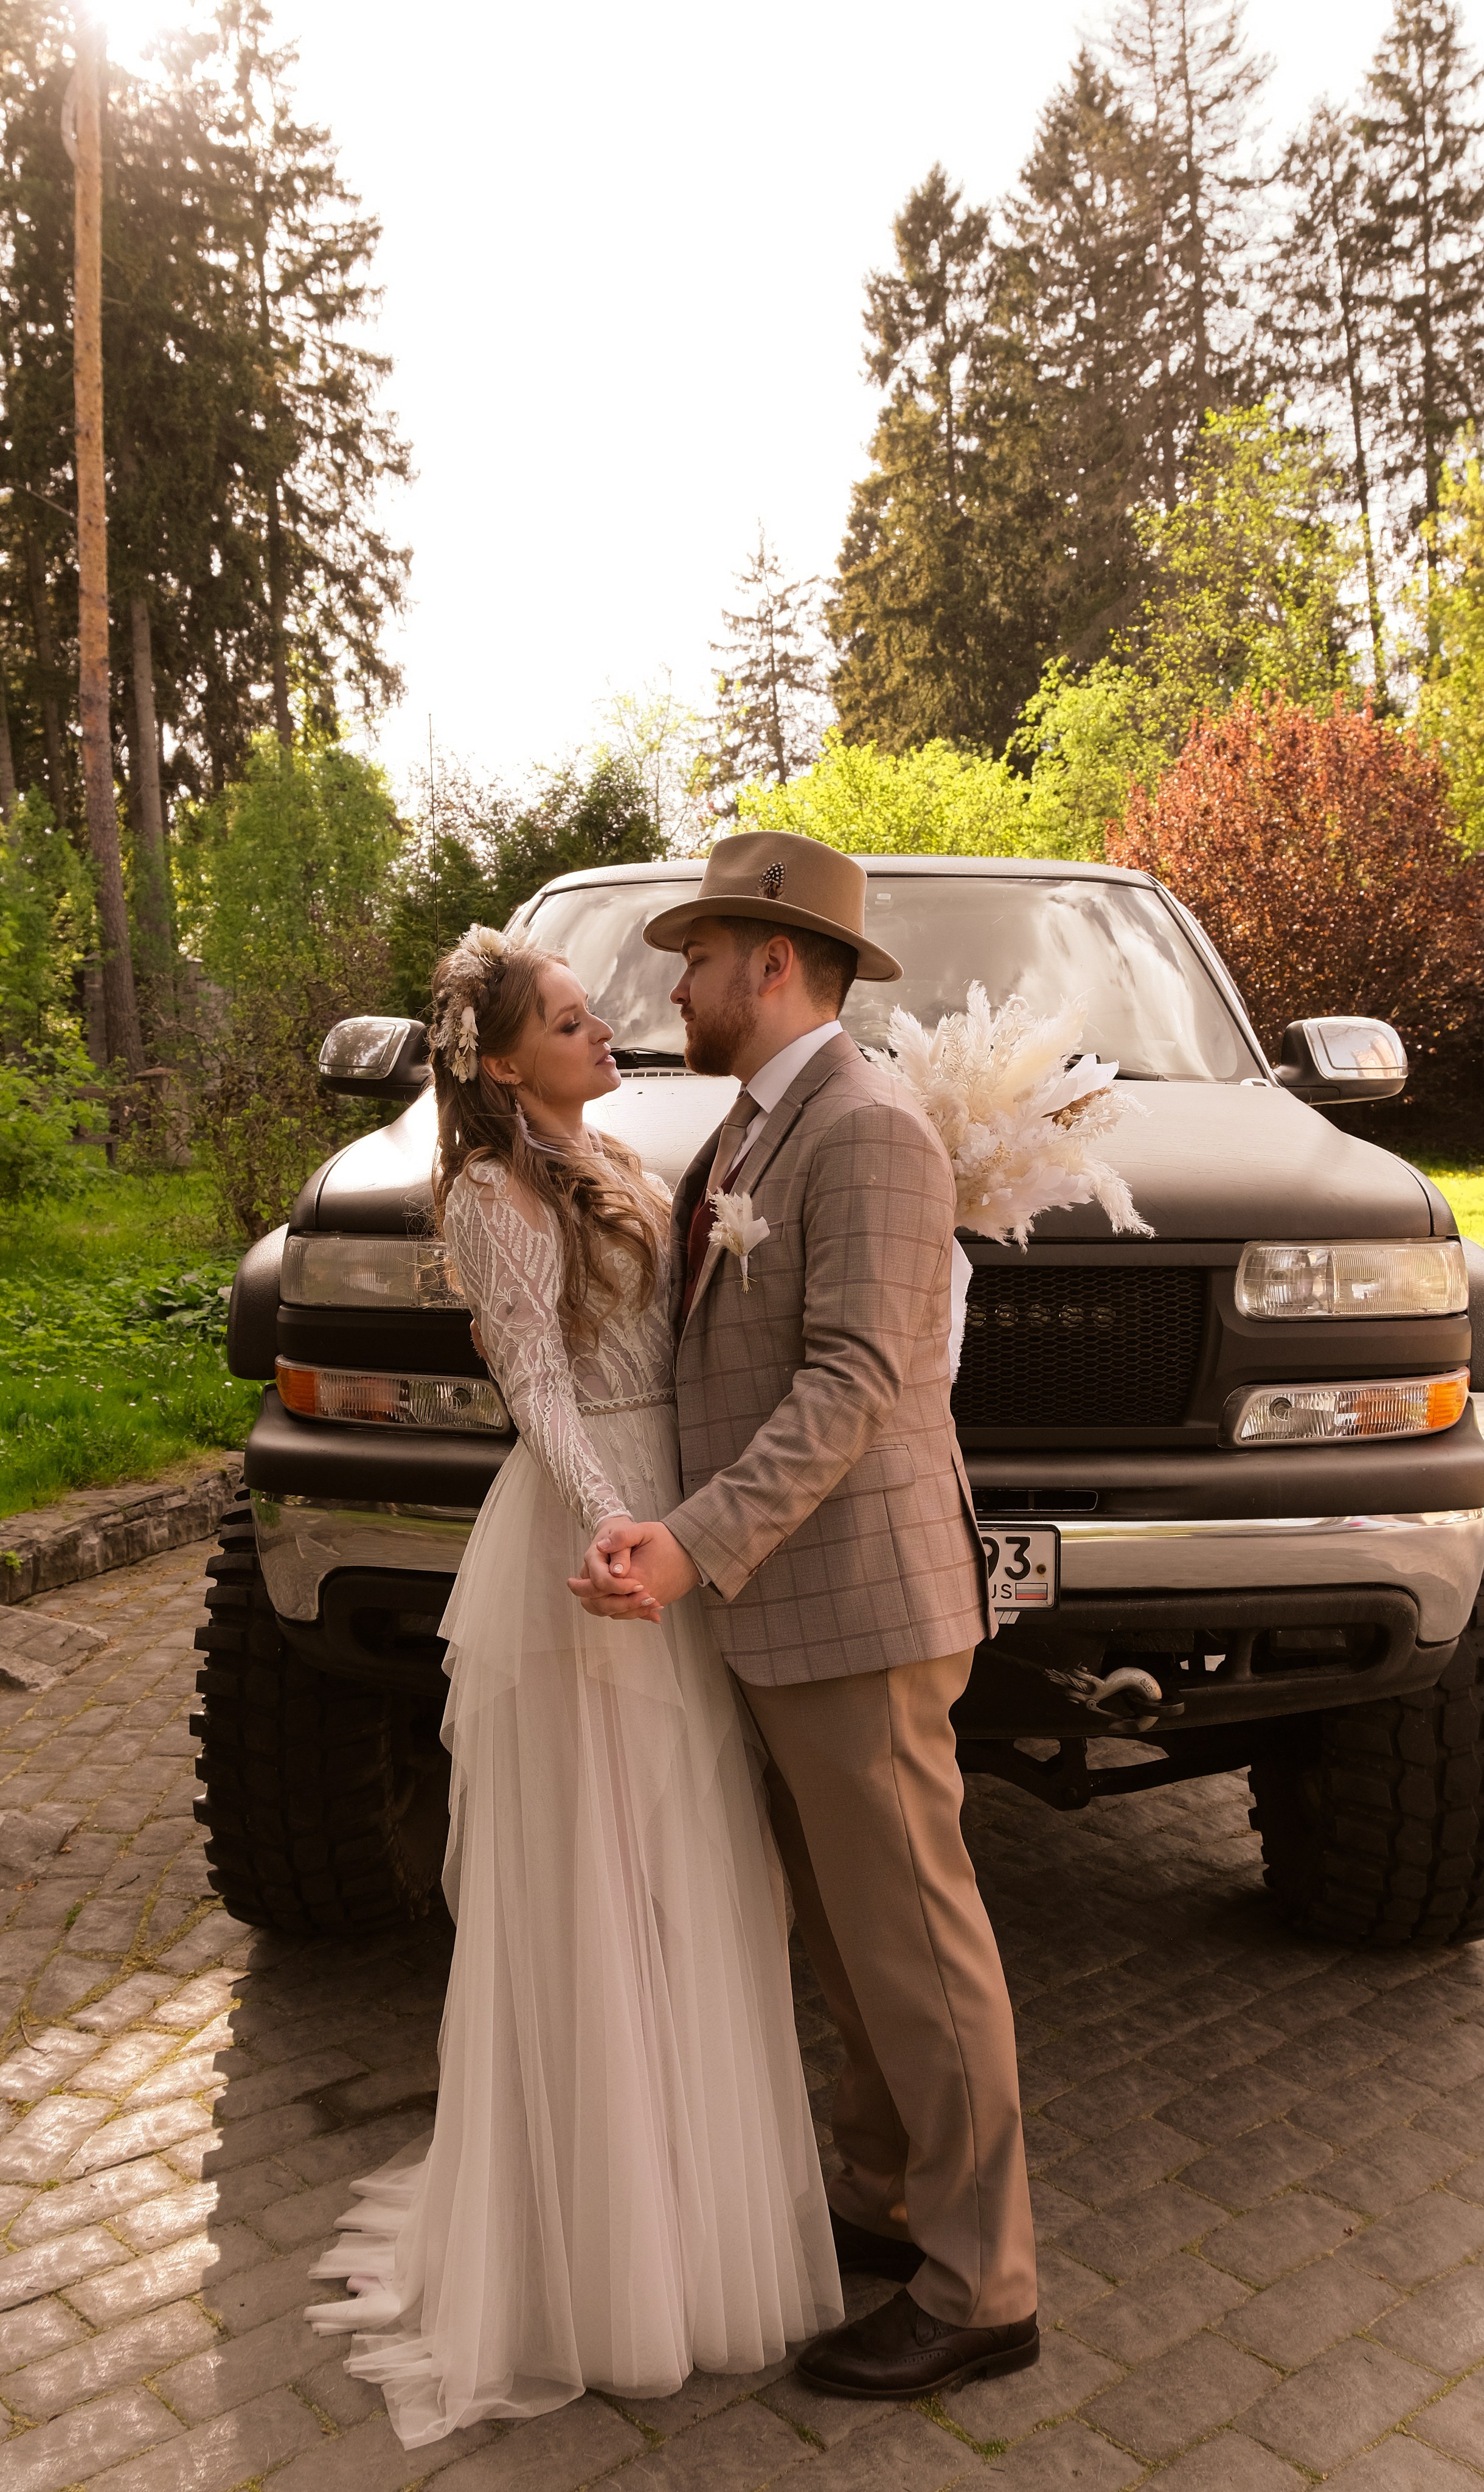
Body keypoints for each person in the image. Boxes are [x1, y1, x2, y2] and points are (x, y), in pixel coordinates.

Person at [304, 922, 841, 2447]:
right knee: (605, 1879)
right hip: (594, 1537)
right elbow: (531, 1373)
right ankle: (604, 2258)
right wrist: (619, 1527)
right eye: (564, 1018)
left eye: (596, 1011)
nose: (603, 1029)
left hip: (667, 1518)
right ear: (494, 1061)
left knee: (686, 1866)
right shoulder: (485, 1190)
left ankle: (687, 2199)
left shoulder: (613, 1161)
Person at [572, 829, 1039, 2401]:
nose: (677, 983)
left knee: (915, 1942)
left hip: (862, 1606)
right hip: (801, 1605)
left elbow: (853, 1381)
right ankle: (895, 2196)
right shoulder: (756, 1129)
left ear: (773, 964)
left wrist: (696, 1545)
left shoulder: (870, 1129)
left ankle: (987, 2289)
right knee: (852, 1940)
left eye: (697, 957)